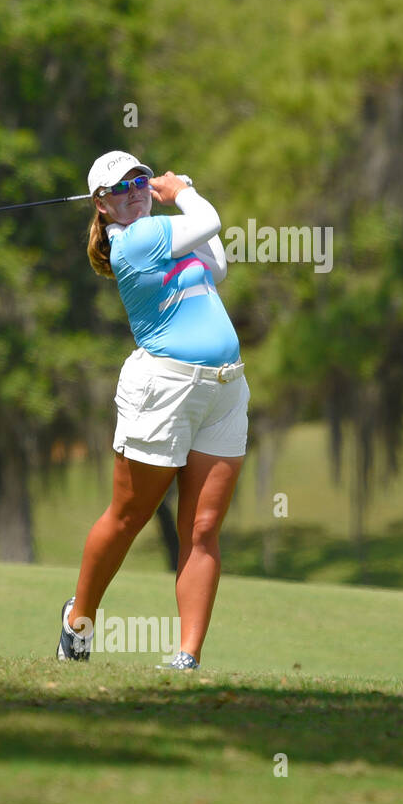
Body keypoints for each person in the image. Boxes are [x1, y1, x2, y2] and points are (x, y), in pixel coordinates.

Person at [58, 150, 249, 670]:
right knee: (128, 517)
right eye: (121, 188)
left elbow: (219, 264)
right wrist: (178, 189)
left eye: (141, 179)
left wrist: (177, 194)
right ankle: (79, 618)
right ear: (102, 206)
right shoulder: (135, 242)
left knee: (202, 529)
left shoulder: (161, 231)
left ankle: (187, 657)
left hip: (225, 389)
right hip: (165, 389)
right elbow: (208, 219)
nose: (136, 190)